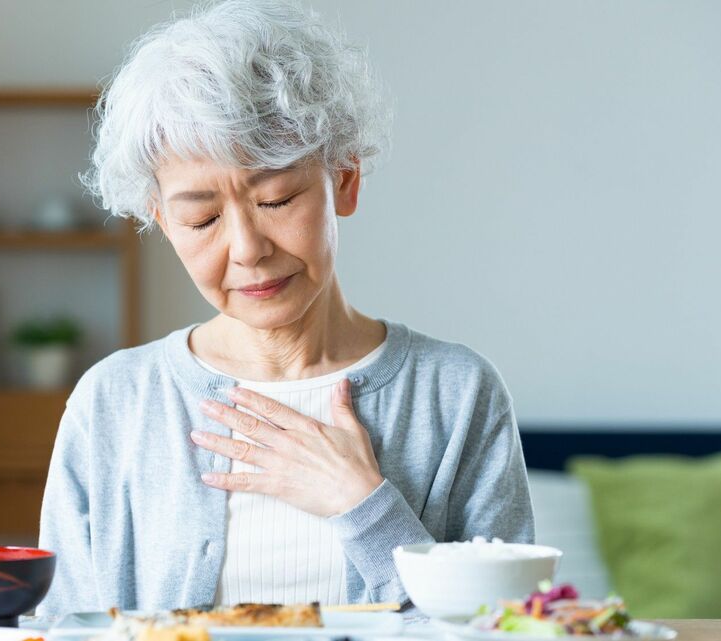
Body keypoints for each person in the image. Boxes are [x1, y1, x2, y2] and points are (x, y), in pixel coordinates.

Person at [37, 0, 533, 616]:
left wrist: (365, 506)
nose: (247, 250)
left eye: (275, 200)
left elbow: (508, 628)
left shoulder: (456, 395)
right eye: (202, 219)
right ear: (162, 220)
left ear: (344, 178)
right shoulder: (114, 403)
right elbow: (66, 625)